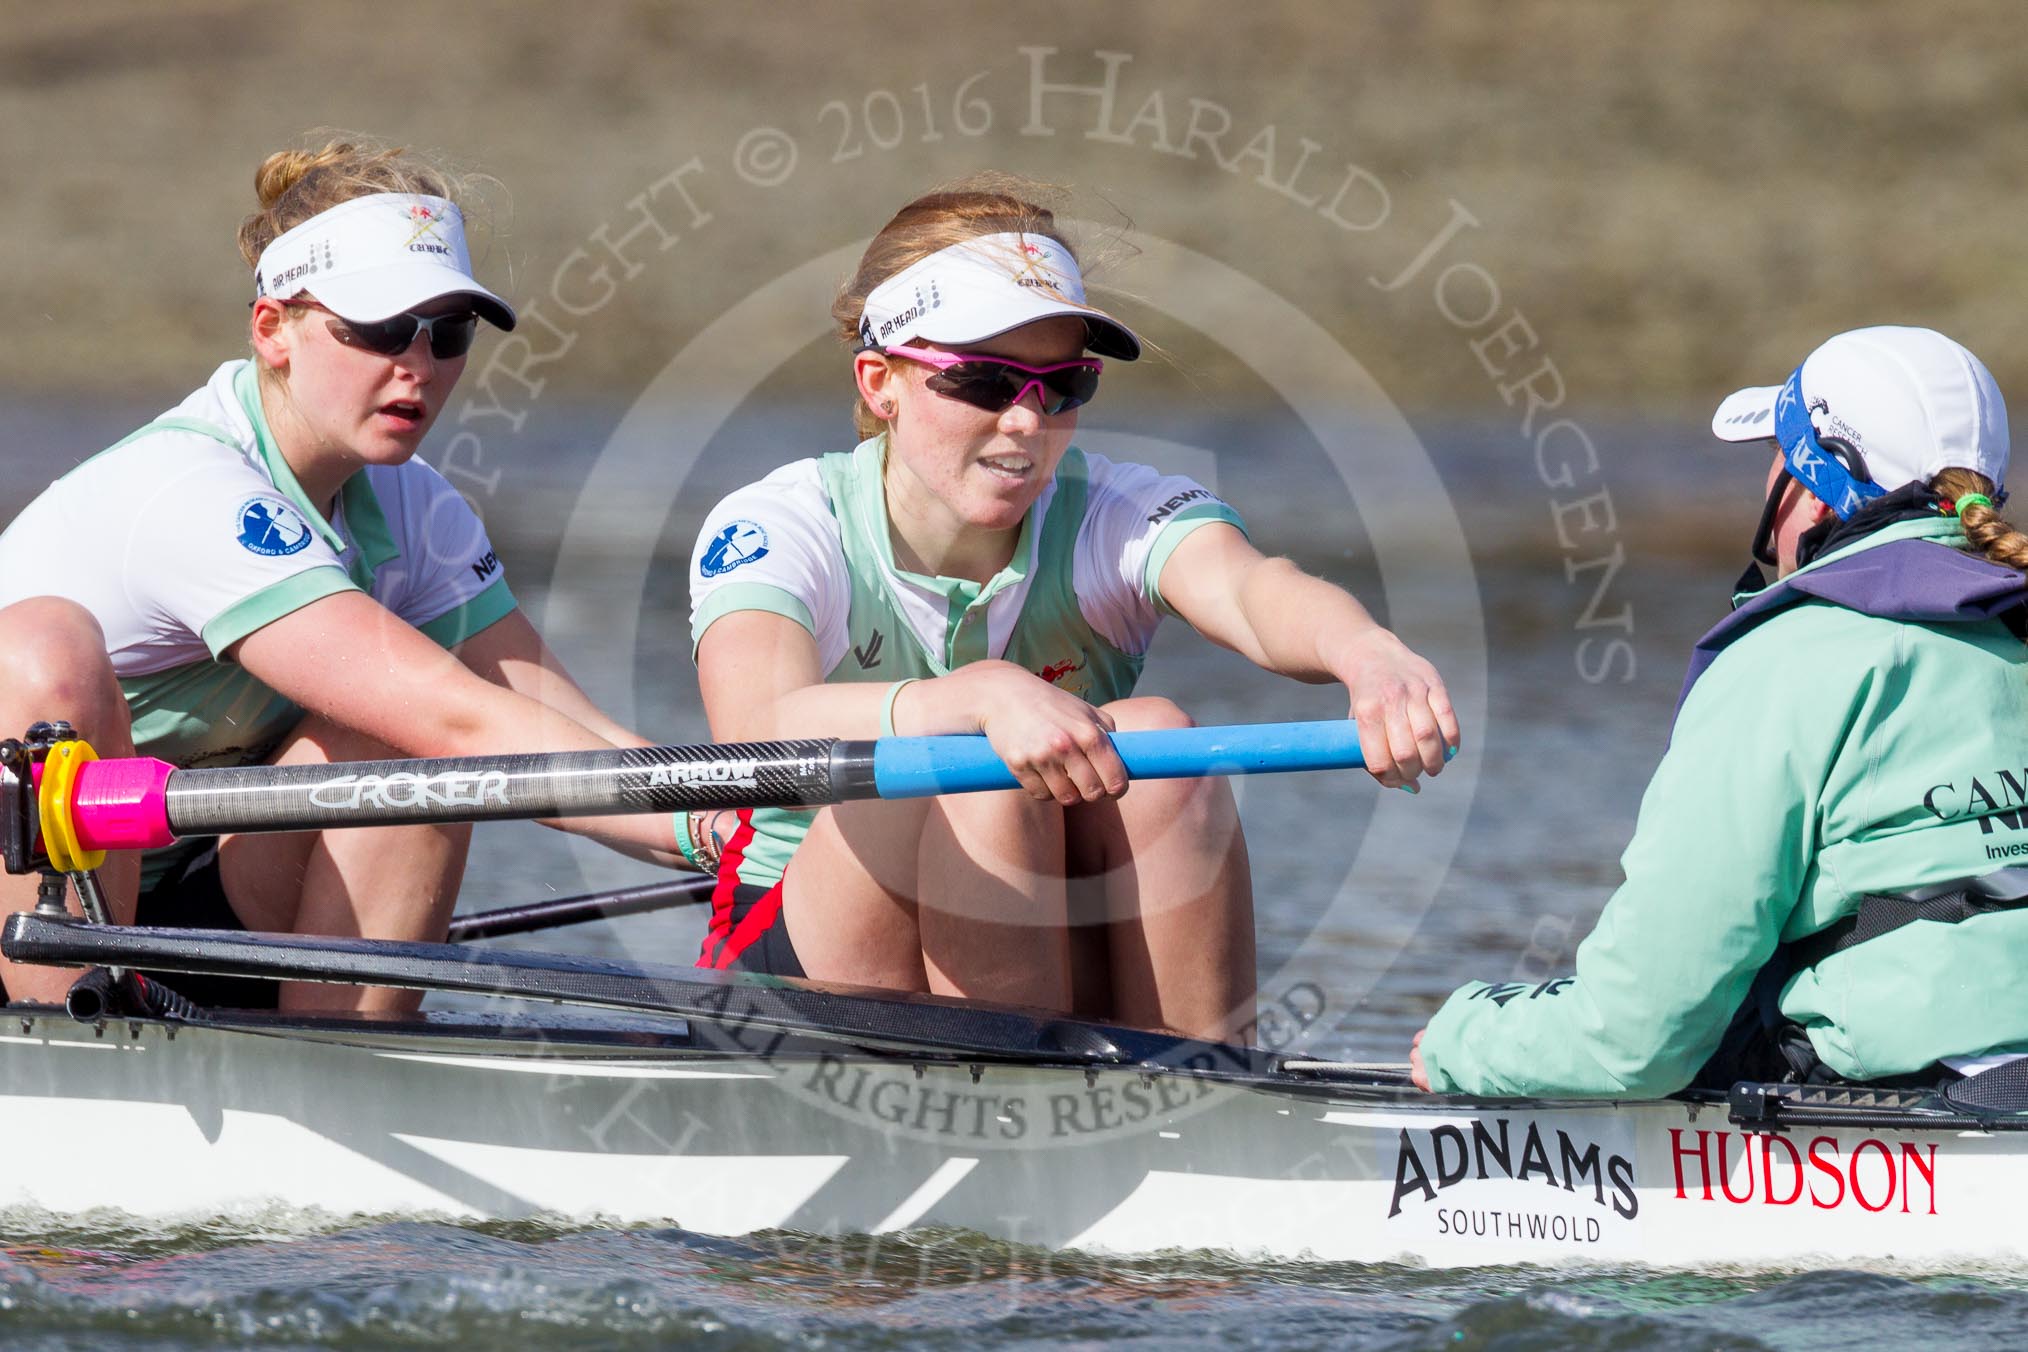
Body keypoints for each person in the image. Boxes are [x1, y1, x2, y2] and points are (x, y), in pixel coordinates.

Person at [686, 177, 1460, 1042]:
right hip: (798, 944)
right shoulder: (781, 523)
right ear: (881, 383)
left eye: (1064, 384)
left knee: (1162, 744)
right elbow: (751, 727)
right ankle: (1019, 1115)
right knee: (968, 770)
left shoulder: (1114, 513)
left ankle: (1197, 1092)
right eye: (983, 381)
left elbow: (1250, 590)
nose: (1027, 422)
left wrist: (1367, 652)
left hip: (1038, 932)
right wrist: (976, 694)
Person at [0, 137, 681, 1012]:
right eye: (380, 327)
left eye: (449, 332)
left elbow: (567, 731)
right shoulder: (188, 489)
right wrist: (709, 825)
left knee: (404, 750)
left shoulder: (416, 510)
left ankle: (345, 1070)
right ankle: (69, 1044)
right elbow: (465, 719)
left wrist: (766, 823)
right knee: (38, 647)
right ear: (272, 329)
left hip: (170, 903)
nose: (420, 365)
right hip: (29, 914)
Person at [1412, 325, 2028, 1096]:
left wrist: (1463, 1036)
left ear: (1811, 482)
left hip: (1925, 1123)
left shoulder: (1787, 662)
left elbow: (1635, 1041)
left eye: (1776, 457)